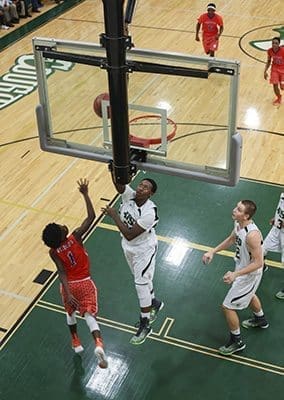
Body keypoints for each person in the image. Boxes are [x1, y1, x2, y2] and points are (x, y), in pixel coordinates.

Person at [42, 179, 108, 368]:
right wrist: (85, 194)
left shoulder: (53, 251)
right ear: (63, 235)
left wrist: (69, 293)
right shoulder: (75, 237)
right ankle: (98, 343)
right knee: (89, 316)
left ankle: (76, 341)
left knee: (70, 313)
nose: (63, 226)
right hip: (85, 283)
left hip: (68, 286)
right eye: (61, 228)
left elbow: (61, 272)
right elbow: (91, 217)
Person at [102, 168, 163, 345]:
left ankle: (145, 325)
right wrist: (114, 169)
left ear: (150, 194)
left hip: (144, 248)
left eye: (145, 188)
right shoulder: (130, 195)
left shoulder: (149, 212)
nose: (140, 188)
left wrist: (114, 215)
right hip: (128, 246)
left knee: (140, 283)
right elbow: (120, 185)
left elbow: (130, 234)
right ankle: (155, 303)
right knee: (140, 279)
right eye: (140, 184)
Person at [202, 200, 269, 356]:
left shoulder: (252, 235)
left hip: (249, 274)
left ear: (246, 216)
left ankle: (237, 341)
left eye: (238, 210)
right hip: (241, 269)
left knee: (227, 307)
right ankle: (261, 320)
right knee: (250, 294)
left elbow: (259, 263)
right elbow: (232, 239)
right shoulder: (239, 224)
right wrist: (213, 251)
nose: (234, 210)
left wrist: (235, 275)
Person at [263, 192, 284, 299]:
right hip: (277, 230)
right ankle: (262, 267)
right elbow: (280, 209)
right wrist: (276, 218)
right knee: (262, 249)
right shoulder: (282, 195)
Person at [264, 37, 284, 106]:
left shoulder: (283, 51)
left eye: (276, 43)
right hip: (274, 69)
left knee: (282, 87)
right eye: (273, 43)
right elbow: (269, 61)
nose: (274, 45)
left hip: (283, 70)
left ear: (279, 44)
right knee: (275, 85)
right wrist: (265, 71)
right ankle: (279, 97)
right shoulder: (269, 51)